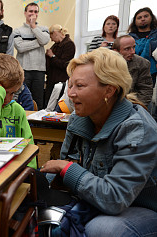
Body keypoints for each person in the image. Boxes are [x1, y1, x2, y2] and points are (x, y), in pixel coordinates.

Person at [40, 48, 157, 236]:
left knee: (103, 229)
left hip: (142, 207)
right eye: (70, 85)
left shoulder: (136, 129)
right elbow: (60, 172)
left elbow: (115, 198)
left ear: (109, 90)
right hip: (96, 200)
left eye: (79, 86)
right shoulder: (79, 118)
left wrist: (67, 169)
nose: (70, 94)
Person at [13, 2, 50, 110]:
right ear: (25, 13)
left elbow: (44, 40)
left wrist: (33, 26)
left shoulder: (43, 29)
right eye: (30, 11)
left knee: (38, 100)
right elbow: (20, 48)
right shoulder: (18, 31)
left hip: (39, 70)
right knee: (22, 98)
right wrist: (38, 43)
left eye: (35, 11)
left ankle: (37, 125)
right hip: (23, 70)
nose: (33, 14)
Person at [113, 35, 153, 107]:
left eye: (134, 47)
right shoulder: (106, 64)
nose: (133, 52)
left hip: (133, 104)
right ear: (116, 51)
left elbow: (145, 91)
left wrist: (135, 109)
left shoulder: (143, 63)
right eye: (127, 49)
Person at [45, 24, 75, 107]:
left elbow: (65, 64)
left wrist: (52, 56)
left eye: (51, 36)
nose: (51, 39)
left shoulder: (69, 45)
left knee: (57, 106)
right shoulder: (55, 45)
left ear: (54, 33)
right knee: (48, 105)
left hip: (61, 81)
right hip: (51, 80)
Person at [128, 7, 157, 86]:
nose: (143, 19)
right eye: (139, 18)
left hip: (153, 73)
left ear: (151, 18)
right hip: (133, 72)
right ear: (135, 21)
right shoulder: (129, 37)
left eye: (146, 16)